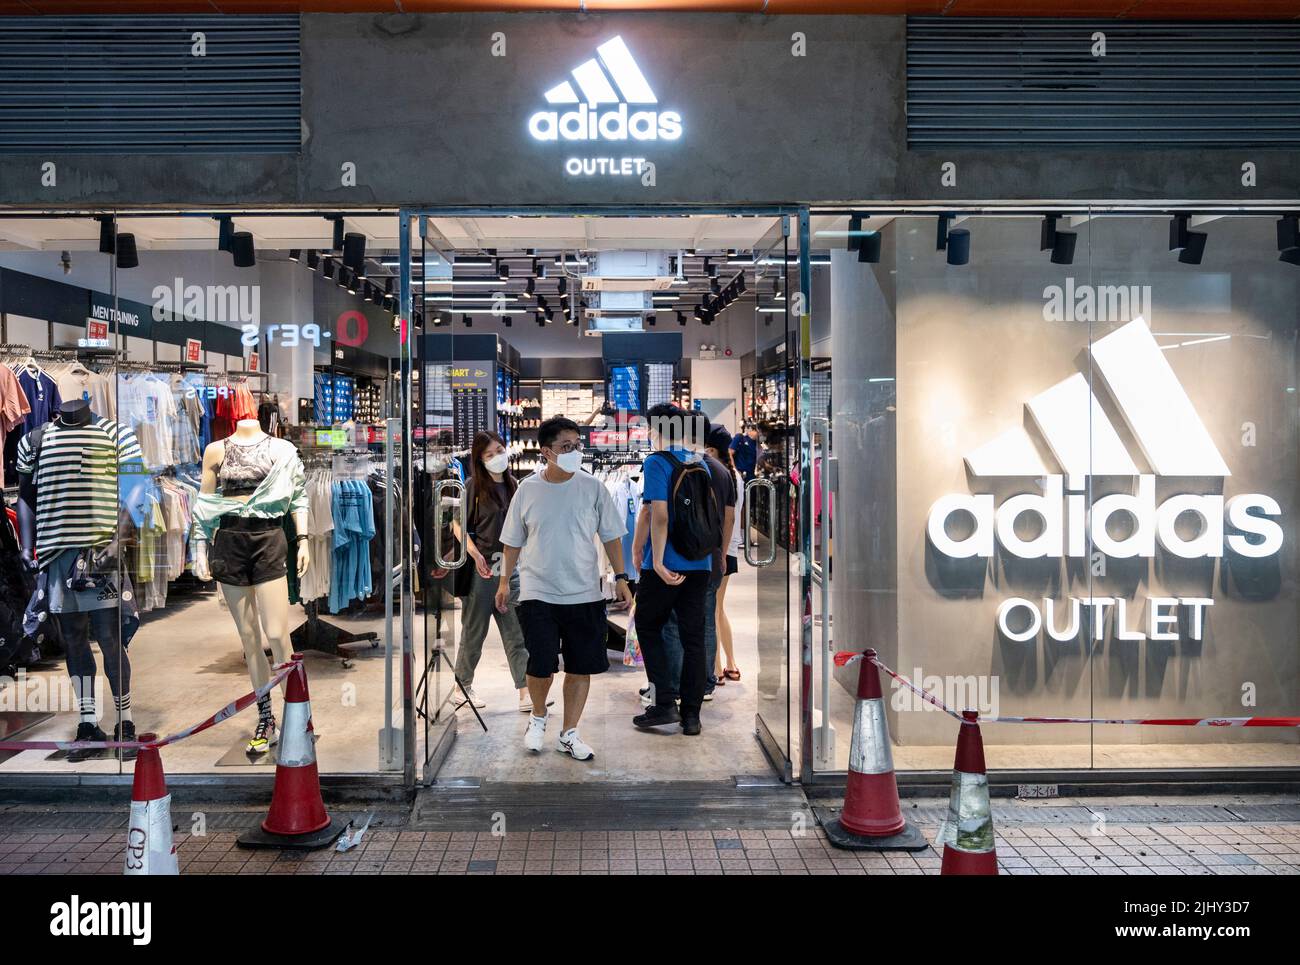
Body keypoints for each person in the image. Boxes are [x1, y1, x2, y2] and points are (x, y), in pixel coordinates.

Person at [497, 416, 632, 761]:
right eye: (566, 446)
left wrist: (620, 577)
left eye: (577, 445)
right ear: (546, 452)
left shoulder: (593, 487)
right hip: (537, 591)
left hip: (584, 592)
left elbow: (612, 535)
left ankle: (569, 733)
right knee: (540, 663)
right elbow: (512, 542)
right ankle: (538, 717)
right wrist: (502, 582)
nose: (574, 451)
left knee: (580, 665)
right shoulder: (527, 489)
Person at [630, 403, 721, 736]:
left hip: (667, 563)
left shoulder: (656, 461)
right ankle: (692, 716)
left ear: (656, 429)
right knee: (693, 636)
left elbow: (657, 514)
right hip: (700, 560)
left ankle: (664, 701)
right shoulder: (699, 462)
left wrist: (652, 557)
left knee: (648, 624)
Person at [451, 430, 531, 713]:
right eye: (489, 454)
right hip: (481, 569)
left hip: (510, 568)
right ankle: (462, 686)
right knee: (475, 630)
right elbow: (457, 525)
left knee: (516, 632)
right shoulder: (473, 486)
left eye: (499, 450)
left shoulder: (515, 485)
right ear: (479, 460)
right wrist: (474, 555)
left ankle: (525, 690)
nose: (497, 457)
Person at [706, 425, 743, 684]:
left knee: (712, 611)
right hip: (729, 551)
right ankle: (730, 663)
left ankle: (717, 668)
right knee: (719, 608)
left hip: (718, 550)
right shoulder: (735, 475)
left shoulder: (715, 475)